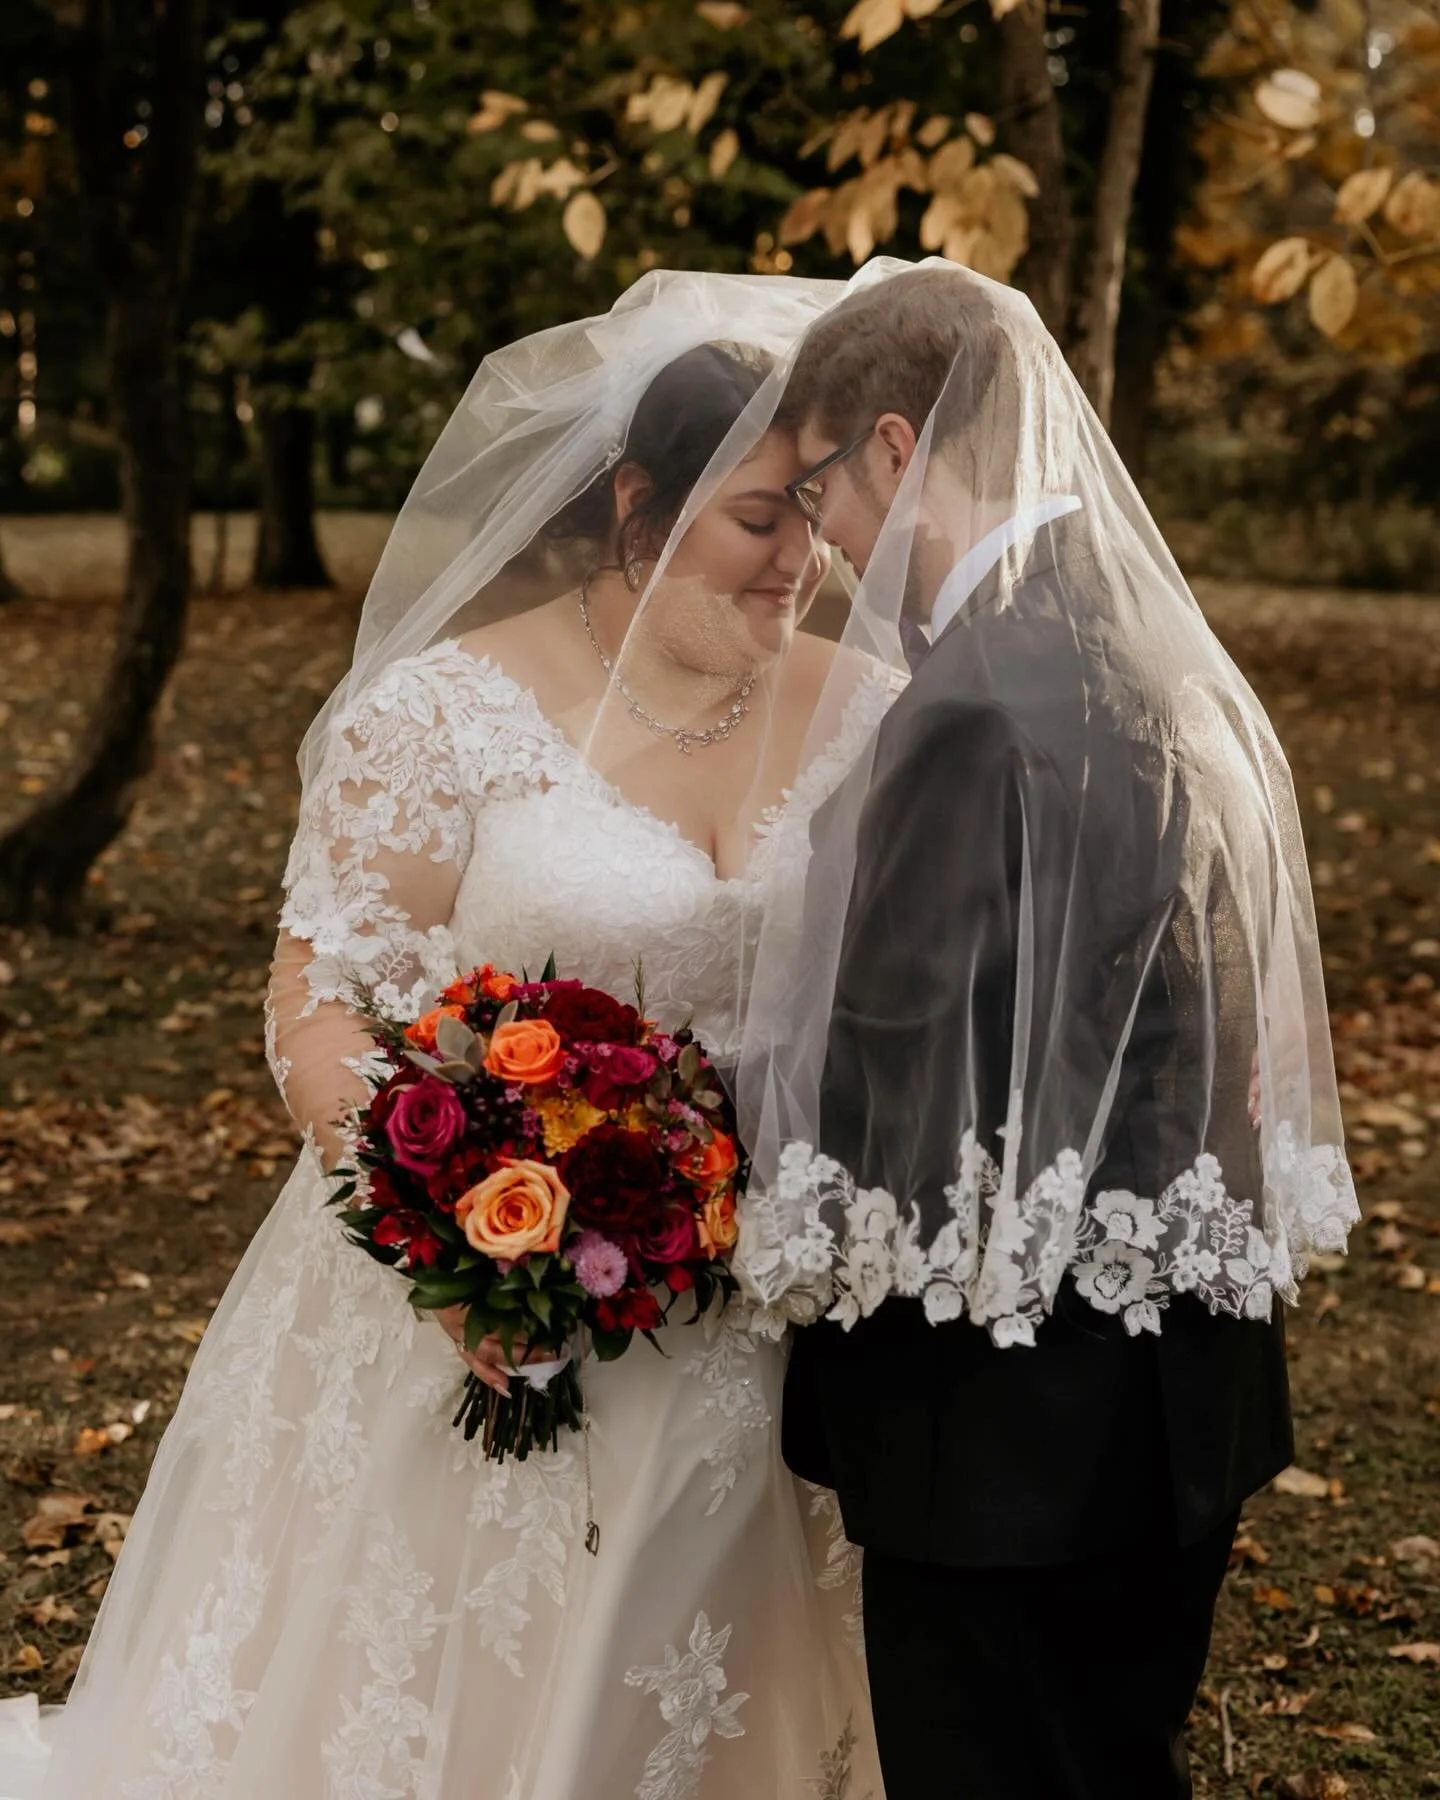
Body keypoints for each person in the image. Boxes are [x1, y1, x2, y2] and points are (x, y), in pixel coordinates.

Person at [0, 272, 893, 1799]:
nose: (799, 563)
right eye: (757, 519)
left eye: (816, 517)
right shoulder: (444, 714)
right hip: (486, 1307)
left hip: (780, 1323)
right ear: (636, 503)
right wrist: (453, 1237)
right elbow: (319, 998)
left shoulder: (877, 710)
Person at [735, 259, 1359, 1798]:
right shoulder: (1160, 648)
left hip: (1005, 1449)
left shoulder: (964, 706)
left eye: (823, 486)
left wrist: (703, 1136)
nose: (826, 536)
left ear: (895, 446)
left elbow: (901, 1076)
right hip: (1174, 1404)